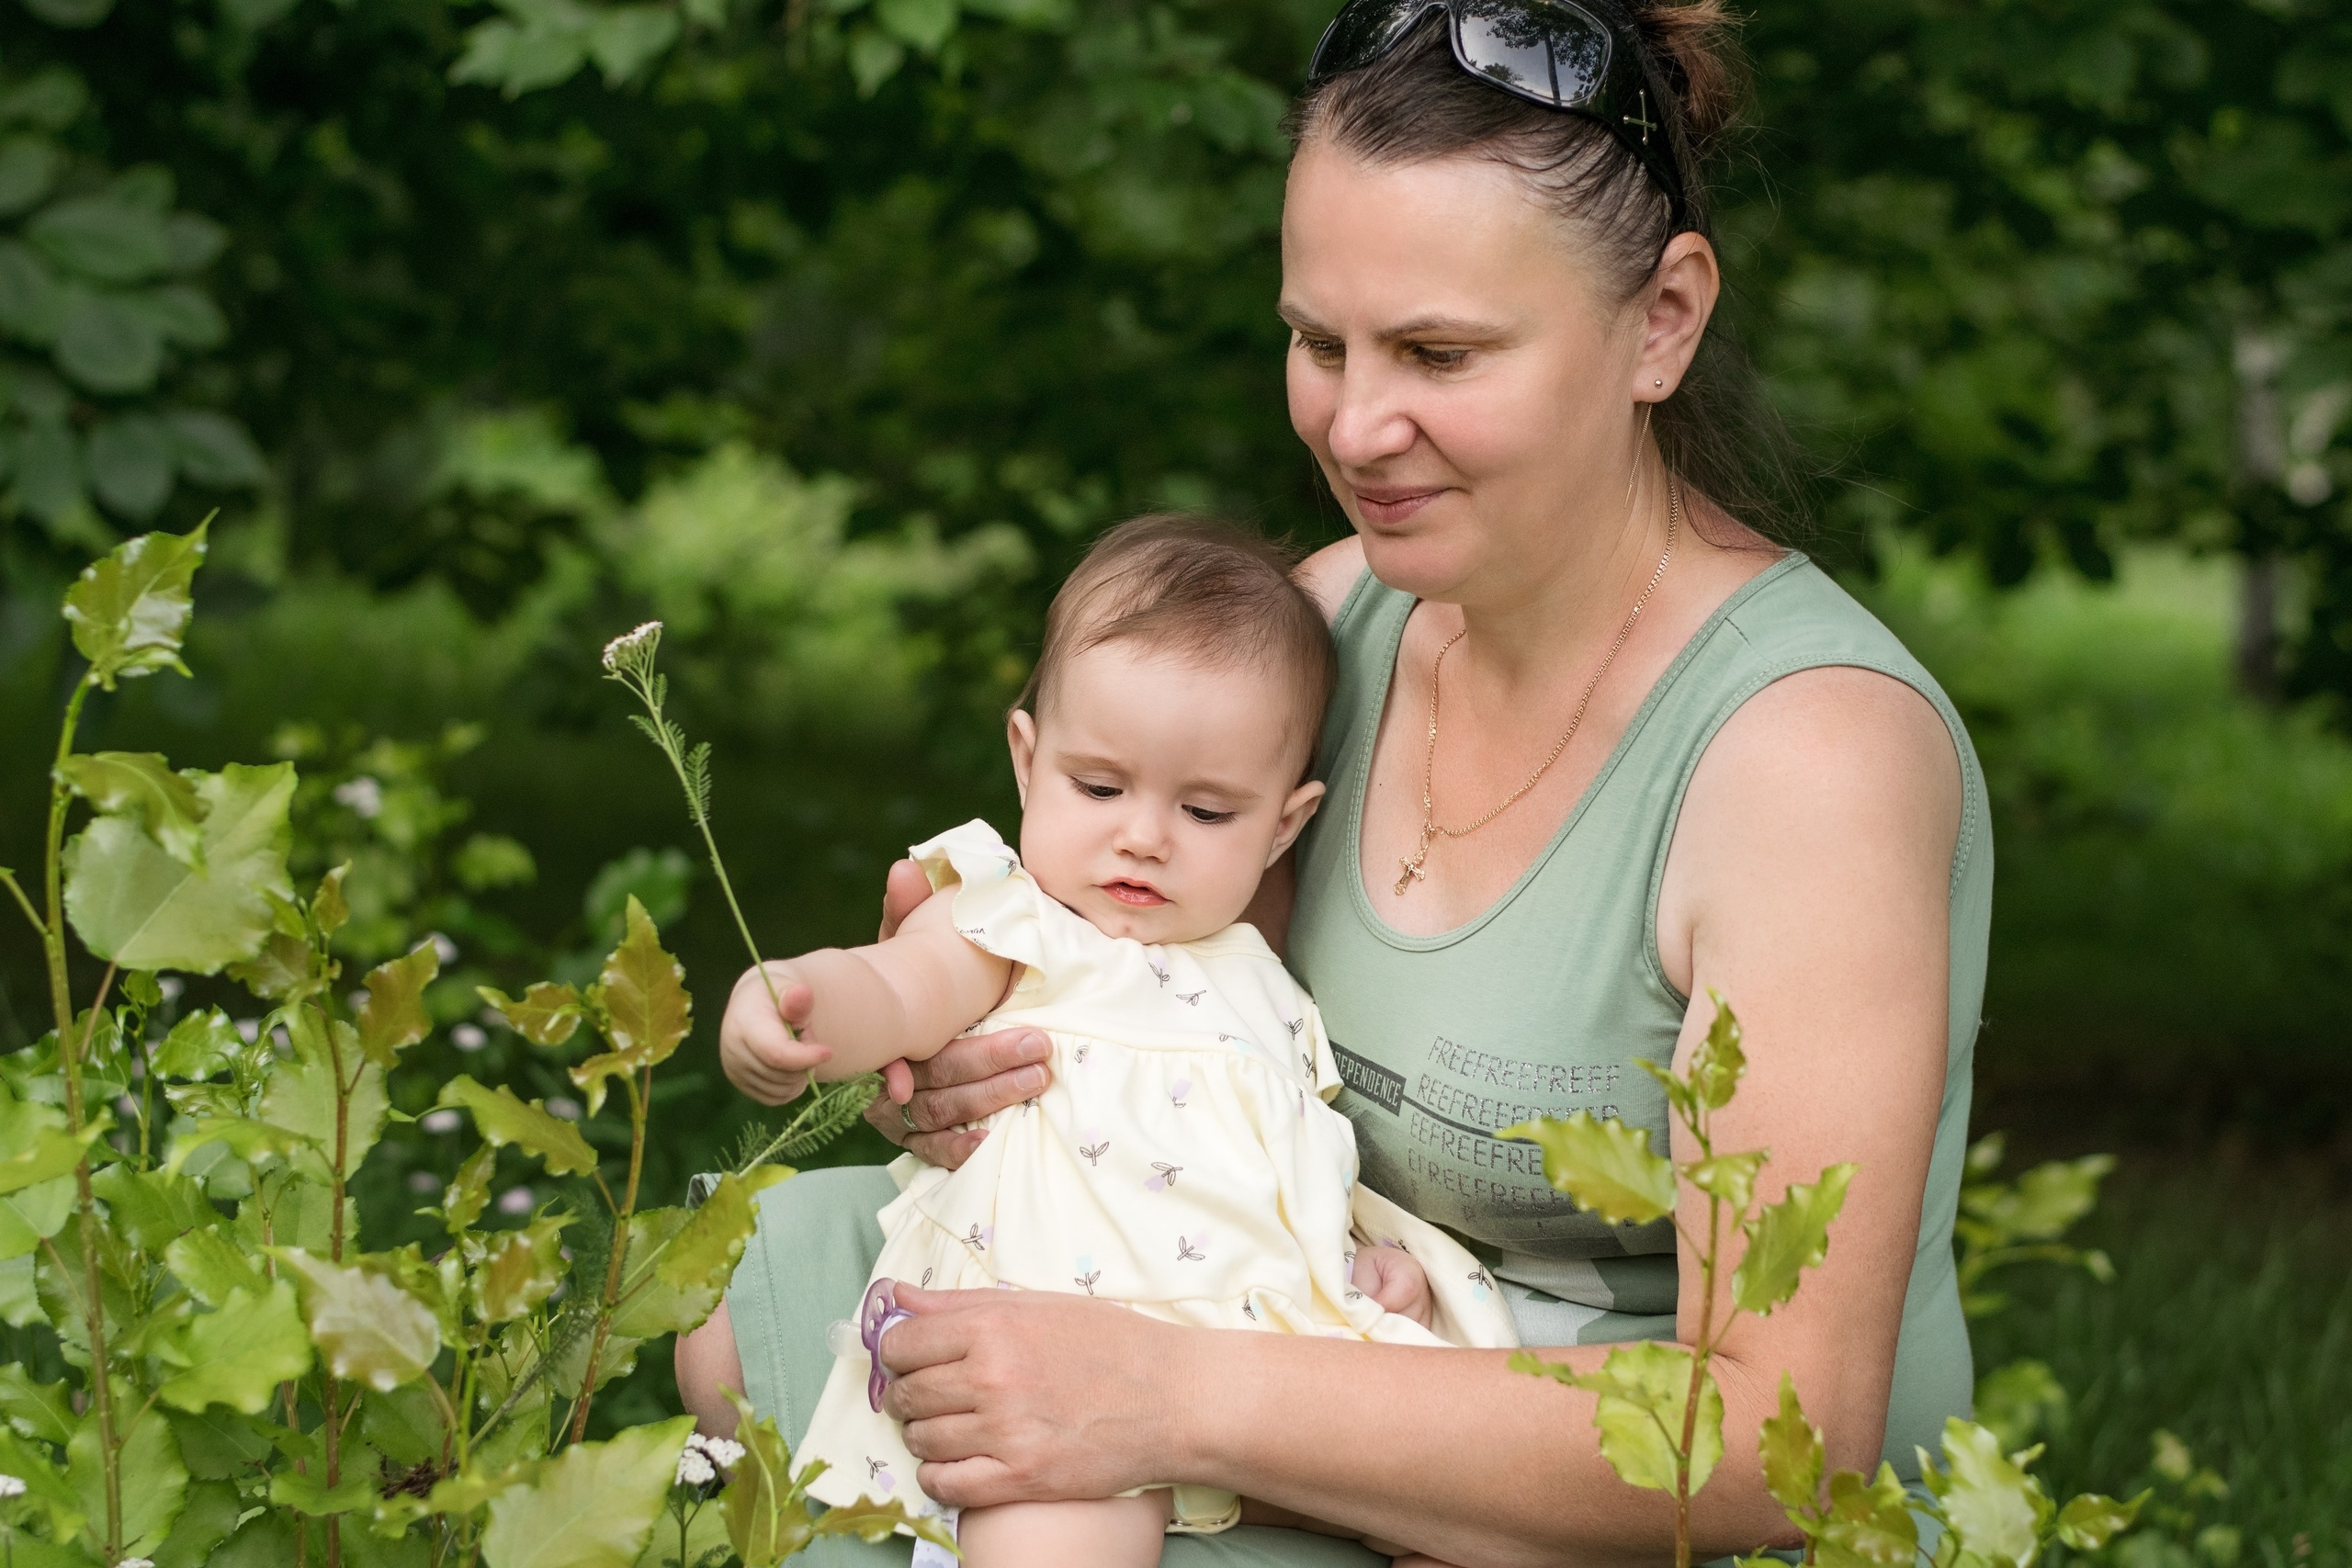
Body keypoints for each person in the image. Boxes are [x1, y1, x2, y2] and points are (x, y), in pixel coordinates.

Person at [682, 0, 1990, 1561]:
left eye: (1440, 352)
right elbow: (1165, 994)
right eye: (1320, 342)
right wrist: (992, 1060)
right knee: (735, 1276)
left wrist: (1162, 1394)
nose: (1357, 426)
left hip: (1581, 1470)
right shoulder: (1329, 625)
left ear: (1664, 319)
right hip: (1299, 1302)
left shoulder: (1808, 758)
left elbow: (1777, 1440)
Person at [718, 516, 1515, 1567]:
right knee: (1053, 1533)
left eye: (1205, 809)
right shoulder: (1021, 924)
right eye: (1099, 789)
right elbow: (900, 983)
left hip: (1257, 1381)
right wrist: (802, 1001)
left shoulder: (1265, 983)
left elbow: (1281, 1167)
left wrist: (1358, 1269)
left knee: (1451, 1502)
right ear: (1026, 758)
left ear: (1284, 825)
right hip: (1043, 1367)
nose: (1143, 835)